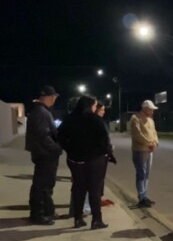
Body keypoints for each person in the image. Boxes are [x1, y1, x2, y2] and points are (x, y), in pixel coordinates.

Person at [58, 95, 110, 229]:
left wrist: (70, 150)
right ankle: (96, 220)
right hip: (94, 160)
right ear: (89, 106)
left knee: (78, 188)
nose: (95, 108)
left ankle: (78, 219)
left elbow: (60, 137)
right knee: (94, 189)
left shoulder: (70, 119)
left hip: (75, 160)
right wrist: (103, 153)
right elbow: (104, 140)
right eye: (94, 106)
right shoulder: (95, 120)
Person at [25, 85, 62, 225]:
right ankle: (38, 214)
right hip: (45, 155)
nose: (54, 100)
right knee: (43, 185)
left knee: (43, 184)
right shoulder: (41, 112)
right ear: (48, 97)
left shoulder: (40, 111)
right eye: (53, 97)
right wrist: (56, 148)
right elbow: (43, 136)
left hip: (43, 154)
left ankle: (46, 211)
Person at [130, 100, 159, 208]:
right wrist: (149, 143)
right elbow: (137, 135)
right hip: (140, 150)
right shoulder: (135, 118)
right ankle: (141, 197)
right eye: (151, 109)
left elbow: (154, 133)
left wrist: (155, 142)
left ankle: (145, 196)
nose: (152, 111)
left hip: (149, 150)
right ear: (145, 109)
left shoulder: (150, 120)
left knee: (147, 174)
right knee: (141, 174)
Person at [96, 102, 116, 206]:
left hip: (103, 154)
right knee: (98, 178)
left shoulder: (100, 121)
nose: (103, 112)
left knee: (100, 178)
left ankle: (99, 198)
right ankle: (96, 200)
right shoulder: (96, 122)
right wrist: (108, 148)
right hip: (99, 155)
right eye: (102, 110)